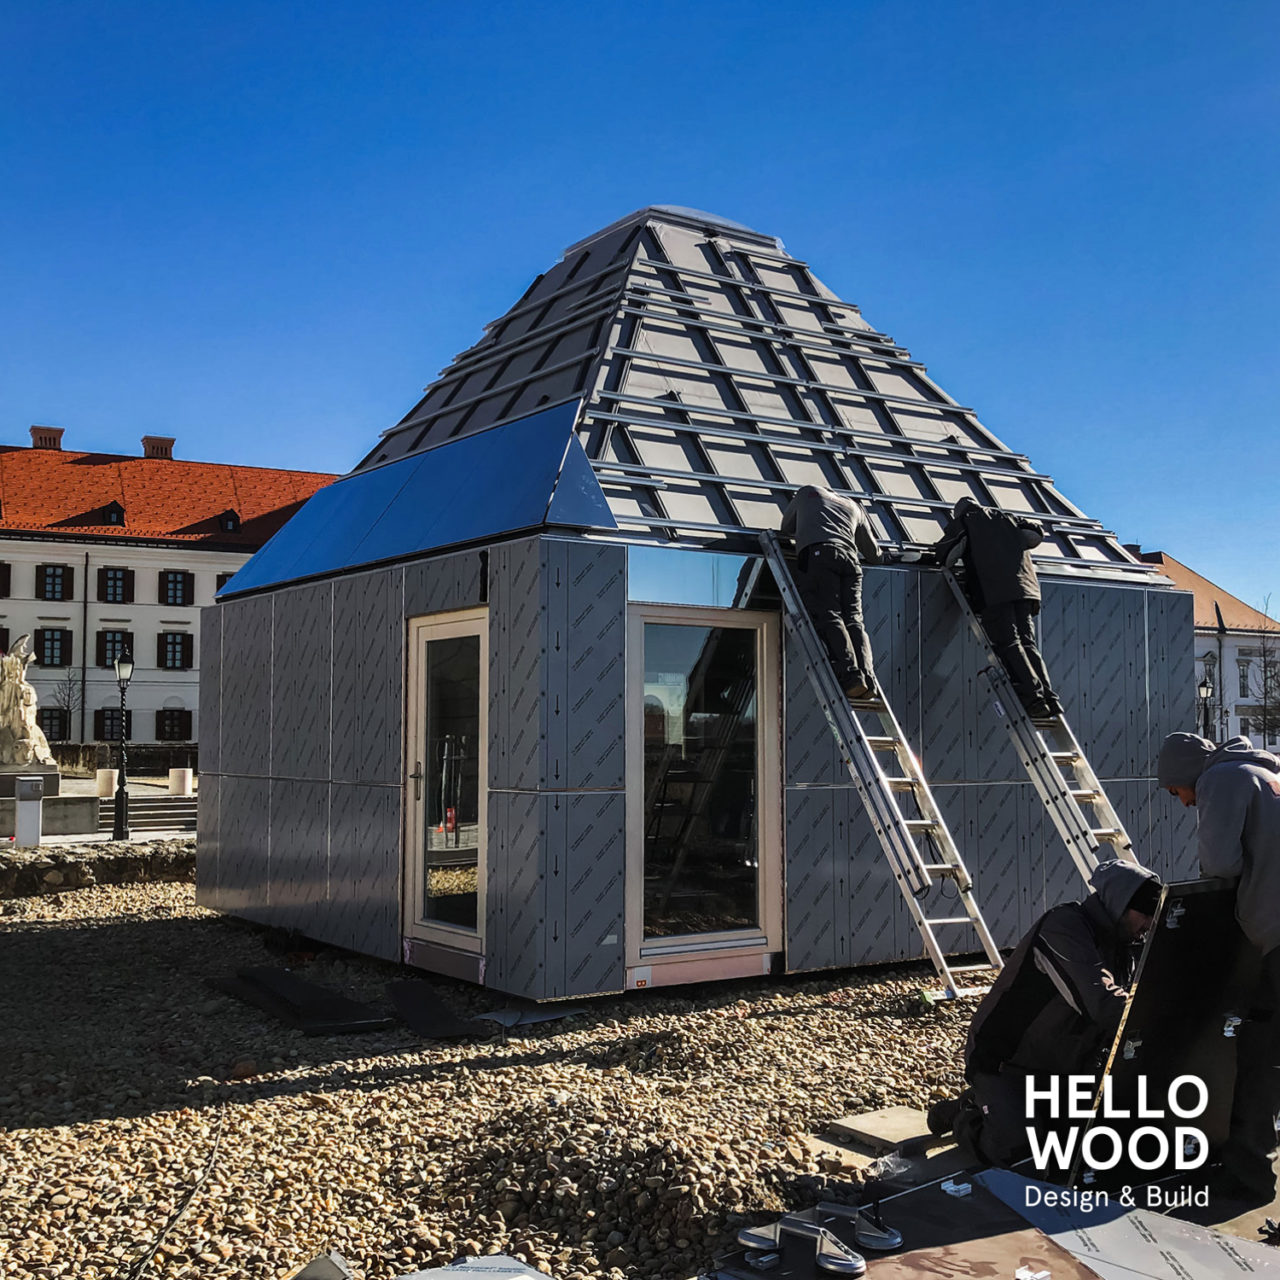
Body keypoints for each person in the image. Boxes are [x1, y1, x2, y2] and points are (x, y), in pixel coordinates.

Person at [928, 859, 1162, 1167]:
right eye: (1145, 913)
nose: (1150, 923)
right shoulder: (1064, 927)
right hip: (1004, 1064)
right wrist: (1163, 1017)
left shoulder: (1125, 944)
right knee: (1021, 1156)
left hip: (1062, 1068)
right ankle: (966, 1114)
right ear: (1120, 904)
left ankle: (1002, 1108)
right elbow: (1103, 1003)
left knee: (1091, 1143)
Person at [1158, 731, 1280, 1206]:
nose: (1184, 802)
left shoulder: (1221, 779)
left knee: (1259, 1057)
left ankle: (1248, 1180)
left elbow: (1220, 864)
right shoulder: (1268, 773)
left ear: (1189, 773)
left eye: (1177, 791)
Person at [929, 496, 1061, 719]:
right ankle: (1050, 698)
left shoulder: (967, 521)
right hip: (1025, 591)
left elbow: (947, 554)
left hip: (995, 592)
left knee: (1009, 643)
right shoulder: (1008, 518)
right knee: (1028, 643)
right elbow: (1036, 534)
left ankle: (1033, 697)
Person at [779, 484, 882, 700]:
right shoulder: (854, 506)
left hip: (820, 555)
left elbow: (786, 527)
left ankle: (851, 676)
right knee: (854, 620)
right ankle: (868, 678)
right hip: (851, 562)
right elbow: (874, 554)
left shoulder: (809, 492)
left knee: (829, 615)